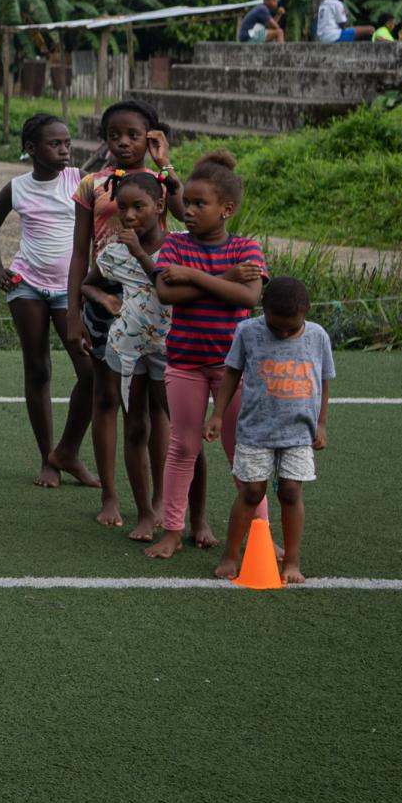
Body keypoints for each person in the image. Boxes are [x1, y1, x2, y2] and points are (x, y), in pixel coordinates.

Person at [144, 150, 267, 561]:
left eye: (200, 205)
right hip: (185, 364)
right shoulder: (175, 246)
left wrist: (199, 277)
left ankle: (261, 535)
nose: (189, 212)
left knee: (242, 453)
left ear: (226, 210)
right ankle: (174, 530)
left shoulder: (247, 248)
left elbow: (248, 296)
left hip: (237, 369)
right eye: (188, 204)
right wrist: (222, 279)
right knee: (182, 448)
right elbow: (166, 293)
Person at [62, 99, 179, 503]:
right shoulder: (92, 184)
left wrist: (166, 164)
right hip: (104, 295)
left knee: (153, 409)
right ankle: (110, 496)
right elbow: (80, 253)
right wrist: (73, 312)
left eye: (134, 135)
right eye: (115, 136)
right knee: (107, 396)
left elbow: (189, 215)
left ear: (150, 137)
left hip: (151, 297)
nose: (124, 142)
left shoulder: (161, 182)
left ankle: (162, 499)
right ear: (105, 140)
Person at [0, 114, 83, 494]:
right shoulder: (17, 188)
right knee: (38, 369)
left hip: (68, 290)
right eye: (55, 144)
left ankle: (67, 451)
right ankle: (47, 458)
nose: (64, 149)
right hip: (27, 286)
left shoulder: (79, 181)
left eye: (67, 143)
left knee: (90, 372)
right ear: (31, 149)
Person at [214, 277, 333, 584]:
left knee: (291, 491)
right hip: (255, 430)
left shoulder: (318, 337)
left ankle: (291, 561)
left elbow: (324, 381)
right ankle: (231, 555)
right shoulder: (248, 331)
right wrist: (216, 415)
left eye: (290, 328)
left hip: (298, 432)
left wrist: (321, 423)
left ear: (306, 312)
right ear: (262, 309)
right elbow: (231, 374)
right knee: (252, 491)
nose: (281, 332)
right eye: (275, 326)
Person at [92, 170, 173, 540]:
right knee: (135, 425)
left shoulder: (179, 246)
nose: (128, 216)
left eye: (138, 207)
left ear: (159, 206)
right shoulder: (113, 253)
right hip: (127, 349)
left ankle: (167, 503)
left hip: (171, 350)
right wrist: (104, 297)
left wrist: (141, 253)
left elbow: (166, 284)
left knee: (172, 427)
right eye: (121, 208)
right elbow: (86, 284)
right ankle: (143, 511)